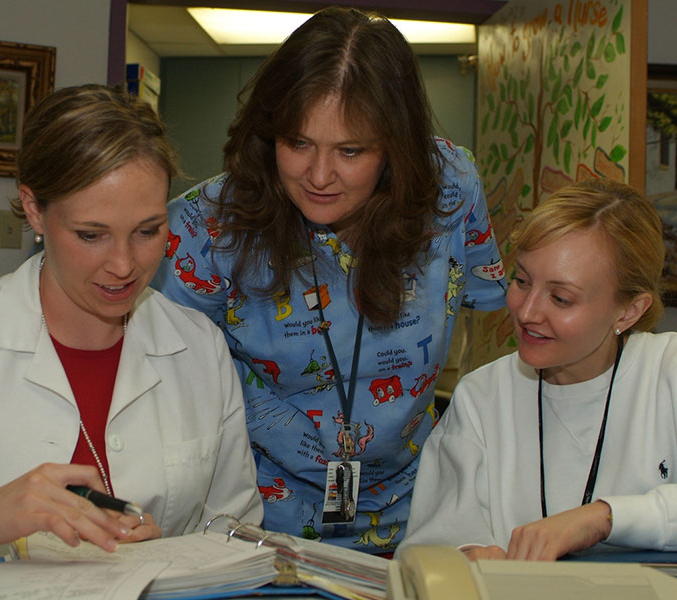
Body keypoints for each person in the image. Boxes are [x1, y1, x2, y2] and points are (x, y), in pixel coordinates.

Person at [152, 7, 506, 553]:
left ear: (395, 149)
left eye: (351, 151)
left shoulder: (450, 188)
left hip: (420, 515)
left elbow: (494, 333)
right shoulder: (203, 227)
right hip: (253, 524)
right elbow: (173, 384)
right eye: (297, 144)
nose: (319, 176)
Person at [0, 84, 262, 553]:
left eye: (148, 231)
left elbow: (234, 531)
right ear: (34, 210)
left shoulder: (199, 348)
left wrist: (167, 550)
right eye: (92, 235)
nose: (124, 264)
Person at [400, 177, 677, 561]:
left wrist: (603, 517)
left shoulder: (667, 371)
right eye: (522, 281)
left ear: (629, 311)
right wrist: (467, 557)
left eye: (561, 298)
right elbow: (430, 547)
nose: (527, 313)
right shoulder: (483, 397)